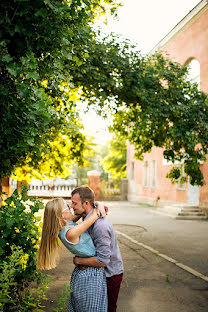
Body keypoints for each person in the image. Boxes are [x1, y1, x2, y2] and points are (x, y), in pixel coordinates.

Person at [37, 198, 107, 312]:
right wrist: (99, 205)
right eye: (68, 206)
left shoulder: (65, 224)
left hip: (85, 272)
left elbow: (80, 214)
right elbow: (94, 215)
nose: (71, 208)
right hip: (90, 275)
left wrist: (97, 203)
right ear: (61, 214)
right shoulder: (70, 233)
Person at [71, 186, 124, 312]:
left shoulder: (100, 227)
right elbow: (69, 220)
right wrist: (98, 204)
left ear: (86, 203)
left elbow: (103, 260)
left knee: (108, 309)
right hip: (100, 274)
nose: (72, 206)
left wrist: (78, 260)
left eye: (74, 203)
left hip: (110, 275)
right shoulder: (88, 216)